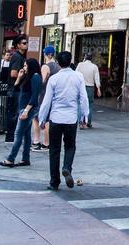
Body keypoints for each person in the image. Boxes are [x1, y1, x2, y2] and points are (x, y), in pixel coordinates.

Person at [37, 50, 88, 191]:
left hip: (56, 117)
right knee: (70, 146)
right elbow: (83, 97)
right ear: (70, 61)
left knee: (54, 149)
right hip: (71, 118)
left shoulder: (54, 79)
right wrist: (85, 115)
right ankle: (67, 167)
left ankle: (54, 181)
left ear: (58, 63)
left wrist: (42, 118)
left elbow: (47, 101)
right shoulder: (78, 76)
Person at [0, 57, 43, 168]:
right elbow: (17, 89)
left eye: (25, 66)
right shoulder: (28, 77)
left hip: (27, 109)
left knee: (18, 134)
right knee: (26, 135)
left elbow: (34, 96)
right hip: (24, 108)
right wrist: (19, 77)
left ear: (31, 66)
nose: (24, 68)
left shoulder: (36, 77)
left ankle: (11, 159)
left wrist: (26, 111)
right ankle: (25, 158)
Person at [4, 37, 29, 142]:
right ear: (18, 45)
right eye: (23, 43)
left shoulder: (21, 56)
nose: (26, 44)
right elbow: (13, 73)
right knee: (14, 112)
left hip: (17, 88)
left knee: (15, 112)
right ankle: (10, 136)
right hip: (15, 88)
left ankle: (12, 135)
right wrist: (24, 74)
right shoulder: (18, 57)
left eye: (26, 43)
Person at [76, 54, 102, 128]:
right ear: (91, 59)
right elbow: (97, 78)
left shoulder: (80, 65)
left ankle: (81, 121)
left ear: (85, 58)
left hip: (80, 87)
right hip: (90, 87)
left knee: (80, 104)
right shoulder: (94, 66)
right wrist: (98, 89)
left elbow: (75, 74)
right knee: (90, 104)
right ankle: (88, 122)